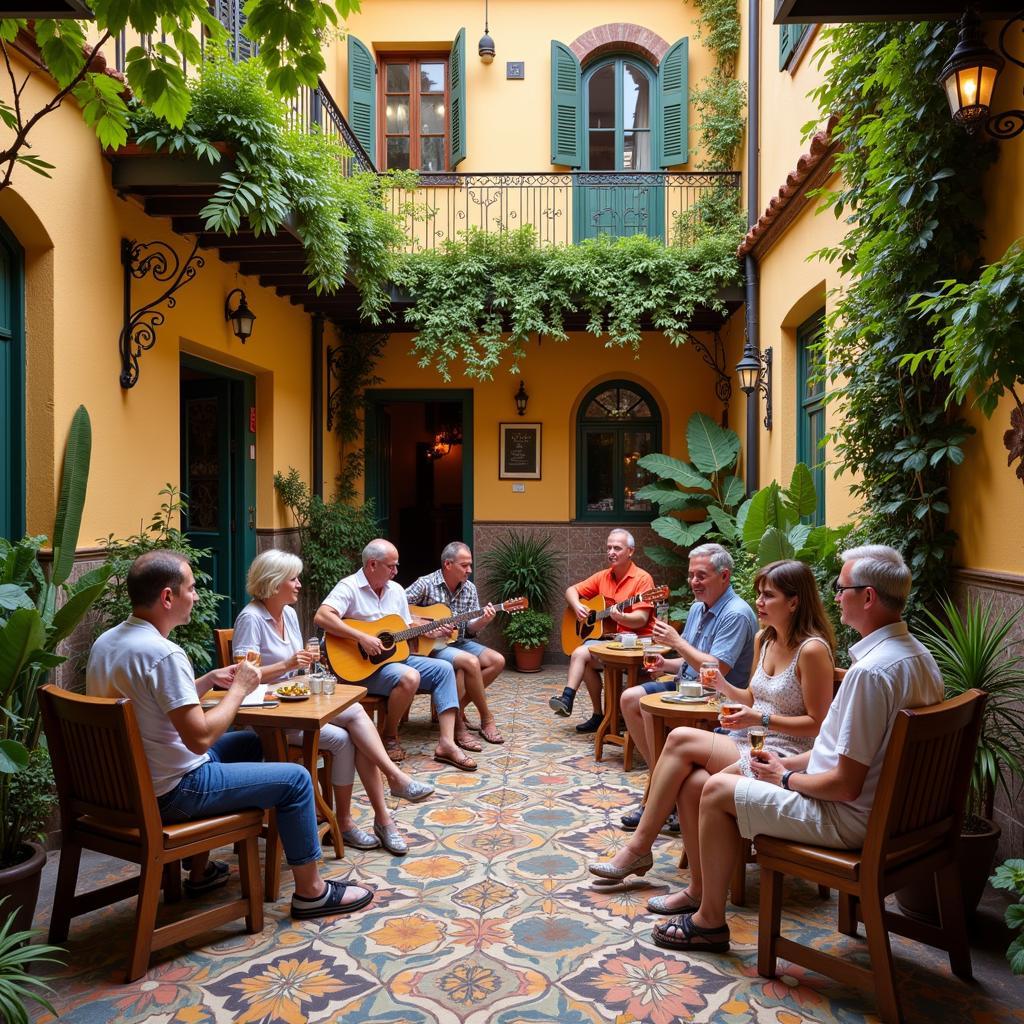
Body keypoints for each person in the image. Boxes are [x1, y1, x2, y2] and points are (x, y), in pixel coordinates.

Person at [647, 544, 943, 953]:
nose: (836, 595)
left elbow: (845, 784)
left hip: (849, 818)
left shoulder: (871, 673)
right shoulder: (919, 658)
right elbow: (838, 749)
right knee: (699, 778)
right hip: (900, 816)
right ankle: (698, 893)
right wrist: (787, 761)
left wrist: (785, 776)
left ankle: (709, 921)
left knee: (712, 788)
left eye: (842, 588)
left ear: (868, 597)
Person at [86, 550, 373, 919]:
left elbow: (151, 704)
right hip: (175, 790)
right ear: (167, 598)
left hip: (126, 786)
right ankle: (312, 892)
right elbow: (200, 739)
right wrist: (238, 689)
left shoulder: (108, 643)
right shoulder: (163, 653)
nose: (197, 595)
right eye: (191, 589)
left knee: (258, 743)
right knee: (296, 779)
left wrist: (206, 681)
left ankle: (202, 871)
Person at [588, 559, 836, 914]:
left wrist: (758, 718)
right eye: (758, 595)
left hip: (783, 756)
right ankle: (696, 889)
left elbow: (819, 725)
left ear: (794, 602)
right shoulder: (765, 639)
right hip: (751, 741)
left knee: (680, 741)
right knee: (691, 780)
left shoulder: (811, 650)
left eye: (768, 596)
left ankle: (641, 847)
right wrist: (723, 686)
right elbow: (752, 696)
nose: (760, 604)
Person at [233, 550, 435, 857]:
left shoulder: (287, 613)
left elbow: (297, 669)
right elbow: (243, 678)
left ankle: (356, 822)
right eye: (293, 578)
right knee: (354, 717)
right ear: (274, 583)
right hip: (268, 718)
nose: (299, 584)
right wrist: (287, 664)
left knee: (348, 737)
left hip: (296, 704)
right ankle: (393, 780)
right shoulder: (251, 618)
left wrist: (306, 668)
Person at [618, 542, 758, 830]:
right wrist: (665, 664)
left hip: (716, 698)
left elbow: (716, 669)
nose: (694, 582)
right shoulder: (697, 608)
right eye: (691, 575)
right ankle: (664, 784)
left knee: (649, 710)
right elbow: (691, 662)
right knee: (631, 699)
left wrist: (676, 642)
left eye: (702, 576)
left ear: (725, 576)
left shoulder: (736, 613)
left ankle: (659, 796)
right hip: (688, 686)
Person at [314, 539, 478, 771]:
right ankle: (389, 735)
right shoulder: (348, 587)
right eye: (391, 566)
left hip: (392, 660)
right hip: (359, 666)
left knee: (444, 669)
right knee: (409, 676)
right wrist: (361, 637)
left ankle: (447, 743)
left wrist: (427, 629)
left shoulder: (396, 591)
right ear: (372, 564)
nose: (396, 571)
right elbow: (322, 617)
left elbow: (404, 627)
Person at [549, 529, 655, 734]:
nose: (611, 552)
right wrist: (577, 606)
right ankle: (596, 714)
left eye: (617, 548)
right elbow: (571, 591)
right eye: (609, 547)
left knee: (581, 654)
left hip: (637, 643)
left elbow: (641, 619)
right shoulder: (603, 576)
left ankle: (574, 701)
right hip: (610, 641)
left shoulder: (643, 579)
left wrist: (621, 617)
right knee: (583, 658)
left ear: (630, 551)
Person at [405, 541, 506, 746]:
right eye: (464, 565)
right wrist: (425, 626)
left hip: (457, 643)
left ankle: (454, 707)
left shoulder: (469, 589)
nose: (469, 570)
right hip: (430, 647)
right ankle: (486, 718)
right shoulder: (425, 584)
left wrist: (483, 620)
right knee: (470, 663)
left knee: (497, 660)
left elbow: (469, 629)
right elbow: (396, 607)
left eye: (470, 565)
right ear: (448, 565)